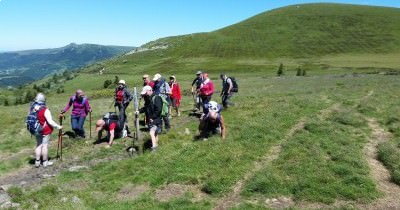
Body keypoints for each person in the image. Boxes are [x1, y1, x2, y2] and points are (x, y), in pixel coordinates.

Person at [32, 93, 62, 167]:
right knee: (45, 146)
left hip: (36, 129)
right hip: (45, 130)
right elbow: (50, 121)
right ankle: (45, 162)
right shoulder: (45, 110)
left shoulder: (33, 108)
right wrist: (58, 127)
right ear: (43, 101)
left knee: (38, 145)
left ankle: (37, 162)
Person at [138, 85, 162, 152]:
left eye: (146, 93)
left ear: (150, 90)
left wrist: (153, 117)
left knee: (152, 132)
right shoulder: (148, 99)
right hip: (151, 119)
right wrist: (139, 111)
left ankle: (154, 148)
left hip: (156, 119)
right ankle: (156, 145)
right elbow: (145, 108)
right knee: (155, 133)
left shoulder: (156, 98)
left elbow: (159, 110)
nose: (145, 94)